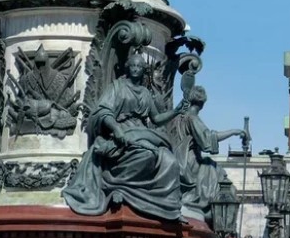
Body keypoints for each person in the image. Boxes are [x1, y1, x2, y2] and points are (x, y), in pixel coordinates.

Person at [63, 53, 189, 221]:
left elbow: (156, 119)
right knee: (148, 155)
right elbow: (103, 111)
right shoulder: (117, 87)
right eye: (133, 66)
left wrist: (176, 111)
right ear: (128, 68)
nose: (136, 69)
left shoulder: (145, 92)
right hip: (122, 133)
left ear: (144, 71)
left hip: (142, 133)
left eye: (139, 67)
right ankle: (117, 186)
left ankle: (170, 208)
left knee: (171, 161)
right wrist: (116, 129)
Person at [176, 85, 248, 222]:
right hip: (190, 163)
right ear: (203, 103)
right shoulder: (192, 118)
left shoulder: (181, 117)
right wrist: (234, 131)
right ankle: (221, 220)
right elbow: (208, 140)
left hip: (184, 160)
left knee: (214, 169)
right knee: (219, 177)